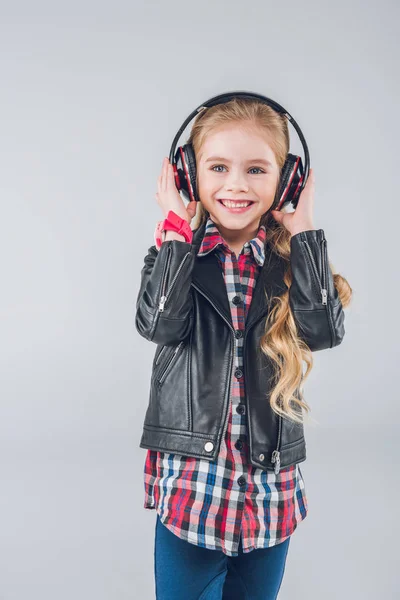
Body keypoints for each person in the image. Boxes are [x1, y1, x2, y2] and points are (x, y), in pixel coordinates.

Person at [135, 96, 352, 599]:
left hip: (269, 490)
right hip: (194, 485)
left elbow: (323, 332)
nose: (236, 185)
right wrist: (175, 236)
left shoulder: (291, 262)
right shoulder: (174, 257)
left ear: (288, 181)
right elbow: (159, 325)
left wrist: (306, 238)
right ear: (189, 176)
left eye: (256, 169)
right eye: (217, 167)